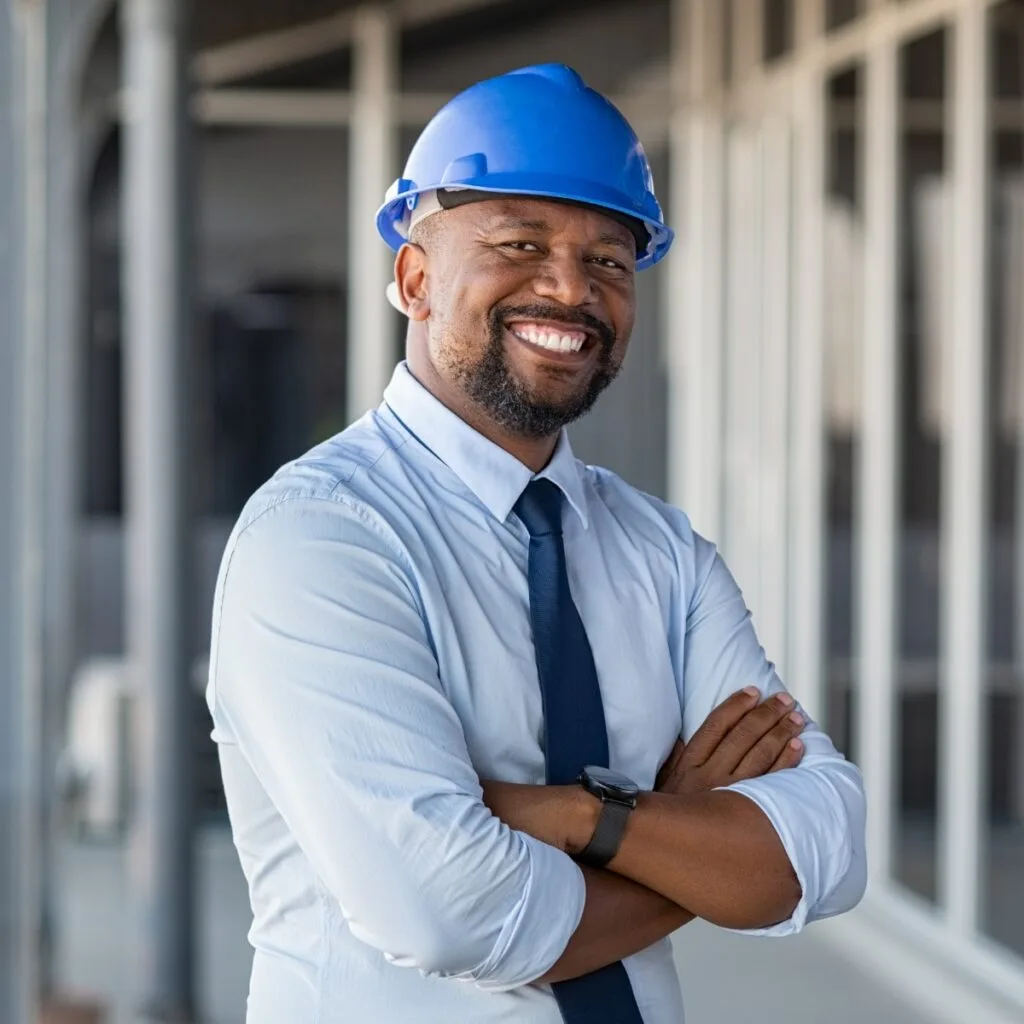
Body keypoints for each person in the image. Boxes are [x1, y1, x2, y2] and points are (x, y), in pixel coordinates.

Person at [207, 64, 867, 1024]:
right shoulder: (318, 540)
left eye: (609, 259)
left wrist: (577, 816)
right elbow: (452, 916)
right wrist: (683, 828)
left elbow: (827, 849)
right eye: (520, 242)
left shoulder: (662, 551)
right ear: (416, 277)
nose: (570, 289)